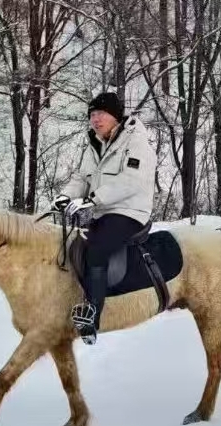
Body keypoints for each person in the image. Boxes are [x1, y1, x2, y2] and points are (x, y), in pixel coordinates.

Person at [51, 91, 157, 345]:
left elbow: (131, 182)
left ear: (115, 116)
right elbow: (81, 178)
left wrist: (92, 200)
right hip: (100, 209)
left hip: (129, 211)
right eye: (92, 115)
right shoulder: (95, 144)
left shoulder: (136, 142)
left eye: (101, 114)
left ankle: (92, 317)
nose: (95, 119)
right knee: (68, 243)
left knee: (96, 248)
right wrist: (64, 197)